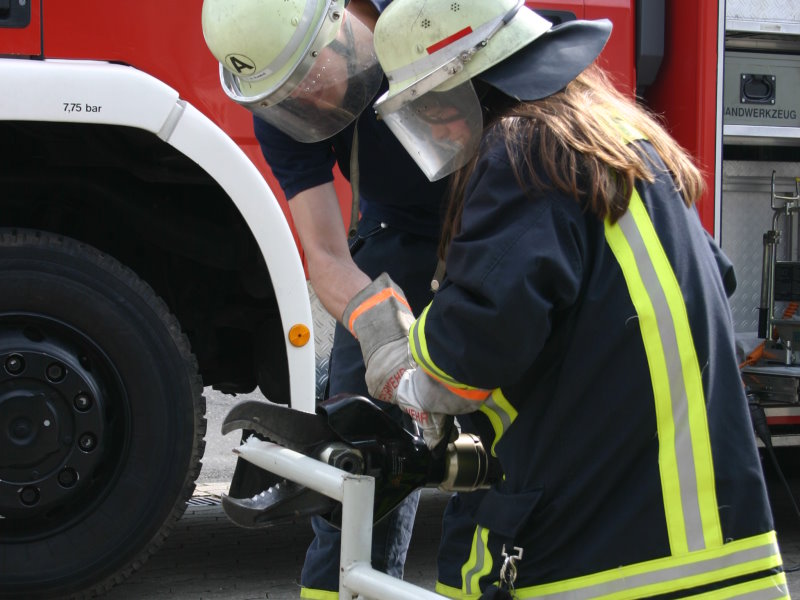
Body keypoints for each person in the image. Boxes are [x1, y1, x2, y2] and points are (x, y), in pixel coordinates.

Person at [341, 0, 788, 597]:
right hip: (729, 562)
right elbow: (717, 275)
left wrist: (400, 359)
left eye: (432, 107)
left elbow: (471, 351)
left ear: (472, 86)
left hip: (597, 566)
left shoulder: (521, 153)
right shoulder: (629, 144)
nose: (438, 131)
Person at [201, 0, 492, 596]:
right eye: (284, 98)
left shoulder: (438, 19)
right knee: (358, 463)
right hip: (398, 236)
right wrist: (384, 336)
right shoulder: (284, 104)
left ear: (344, 29)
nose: (303, 106)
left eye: (307, 84)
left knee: (493, 458)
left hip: (499, 215)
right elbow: (328, 258)